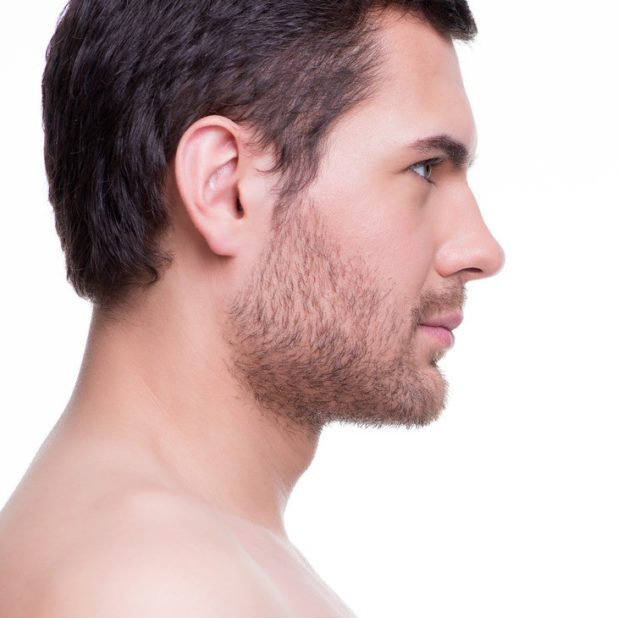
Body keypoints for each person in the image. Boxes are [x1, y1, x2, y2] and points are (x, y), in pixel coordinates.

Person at [0, 0, 504, 615]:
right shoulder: (150, 585)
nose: (482, 251)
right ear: (225, 186)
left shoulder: (206, 556)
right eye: (424, 168)